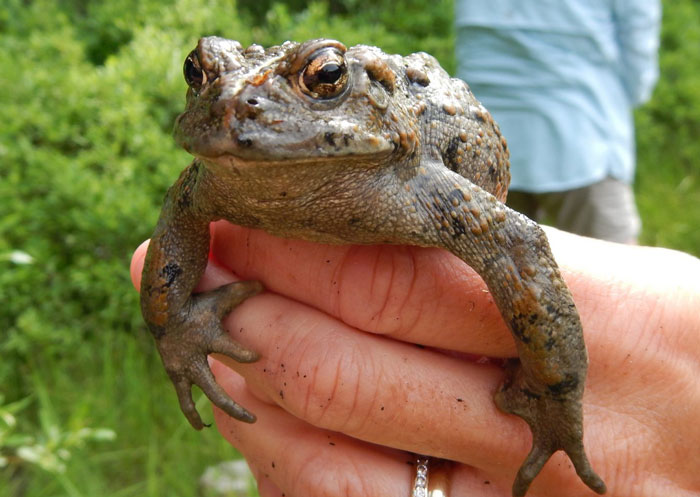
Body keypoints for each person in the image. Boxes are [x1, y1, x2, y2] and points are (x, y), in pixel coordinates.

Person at [131, 222, 700, 496]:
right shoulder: (216, 164)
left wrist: (554, 390)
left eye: (322, 79)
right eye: (200, 77)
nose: (239, 105)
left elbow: (516, 242)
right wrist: (175, 329)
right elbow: (181, 222)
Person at [454, 0, 662, 244]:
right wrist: (620, 98)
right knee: (619, 275)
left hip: (480, 142)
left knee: (472, 277)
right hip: (583, 133)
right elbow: (639, 44)